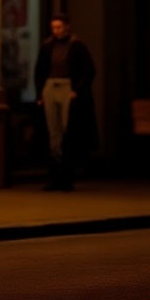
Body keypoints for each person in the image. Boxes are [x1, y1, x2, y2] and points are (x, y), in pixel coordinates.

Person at [34, 12, 97, 191]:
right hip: (50, 86)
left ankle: (66, 175)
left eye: (59, 27)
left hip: (67, 86)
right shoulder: (47, 46)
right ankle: (55, 174)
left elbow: (89, 69)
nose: (56, 30)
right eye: (53, 27)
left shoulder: (76, 45)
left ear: (67, 26)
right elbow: (39, 70)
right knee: (54, 132)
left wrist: (76, 90)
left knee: (67, 130)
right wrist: (40, 93)